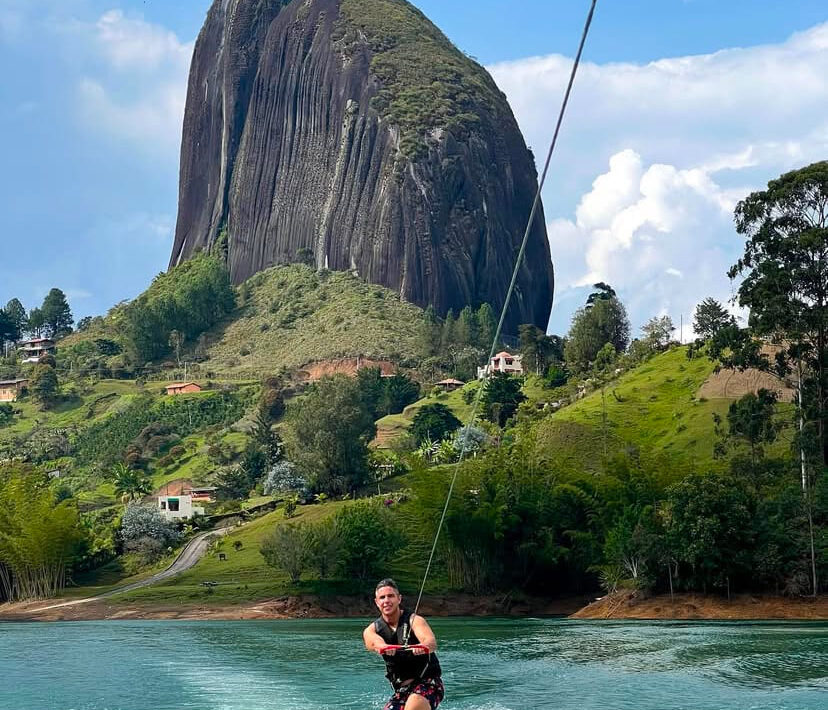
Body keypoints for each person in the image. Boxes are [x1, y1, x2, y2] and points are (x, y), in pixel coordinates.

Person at [363, 578, 444, 710]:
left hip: (429, 683)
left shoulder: (415, 620)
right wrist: (383, 647)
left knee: (413, 705)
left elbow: (430, 642)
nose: (386, 601)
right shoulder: (371, 629)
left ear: (399, 599)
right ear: (377, 602)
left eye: (391, 596)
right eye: (382, 597)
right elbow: (373, 642)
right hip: (402, 691)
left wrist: (422, 647)